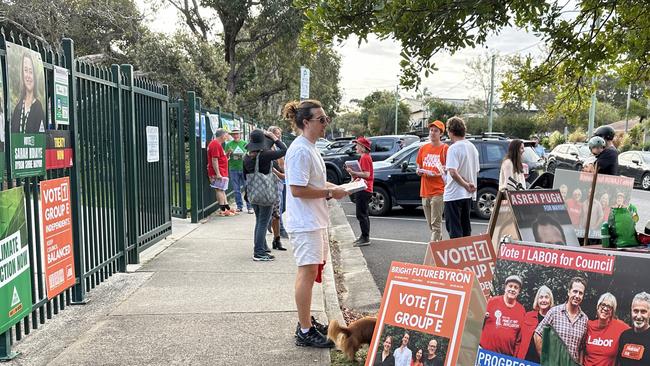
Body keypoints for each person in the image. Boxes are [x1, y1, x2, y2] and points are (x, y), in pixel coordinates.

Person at [283, 99, 348, 348]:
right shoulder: (300, 150)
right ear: (306, 122)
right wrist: (331, 192)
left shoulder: (310, 147)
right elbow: (298, 190)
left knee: (310, 273)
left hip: (313, 220)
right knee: (307, 272)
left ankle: (306, 321)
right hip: (304, 222)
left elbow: (315, 183)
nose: (325, 123)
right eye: (321, 119)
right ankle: (304, 330)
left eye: (326, 118)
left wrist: (339, 188)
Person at [243, 129, 287, 260]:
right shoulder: (265, 155)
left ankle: (262, 247)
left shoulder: (246, 158)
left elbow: (245, 176)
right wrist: (274, 138)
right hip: (265, 194)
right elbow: (284, 150)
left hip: (253, 194)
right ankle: (259, 252)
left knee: (259, 221)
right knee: (263, 222)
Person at [534, 277, 589, 364]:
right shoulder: (554, 312)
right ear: (568, 292)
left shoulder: (584, 319)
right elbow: (538, 334)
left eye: (580, 293)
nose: (577, 296)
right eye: (575, 291)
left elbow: (581, 348)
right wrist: (545, 360)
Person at [443, 117, 479, 238]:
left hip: (454, 194)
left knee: (454, 230)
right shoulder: (472, 147)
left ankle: (457, 254)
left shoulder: (453, 148)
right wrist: (469, 184)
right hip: (468, 195)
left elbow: (453, 172)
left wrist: (465, 185)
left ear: (451, 132)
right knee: (465, 228)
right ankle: (466, 255)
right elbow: (475, 170)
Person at [416, 120, 448, 242]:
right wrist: (419, 171)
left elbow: (448, 168)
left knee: (436, 225)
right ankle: (440, 246)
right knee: (431, 224)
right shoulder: (423, 148)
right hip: (425, 191)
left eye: (436, 131)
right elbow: (418, 166)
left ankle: (432, 251)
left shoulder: (445, 148)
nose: (432, 133)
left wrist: (441, 171)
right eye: (431, 130)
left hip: (438, 191)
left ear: (441, 133)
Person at [479, 275, 526, 356]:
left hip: (504, 359)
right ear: (505, 288)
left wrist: (514, 358)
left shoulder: (521, 310)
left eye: (516, 287)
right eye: (510, 286)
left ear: (519, 291)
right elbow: (477, 323)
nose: (512, 289)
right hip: (483, 353)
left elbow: (519, 340)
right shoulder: (491, 302)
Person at [584, 293, 630, 366]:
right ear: (598, 307)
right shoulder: (588, 325)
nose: (605, 309)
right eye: (603, 305)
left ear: (612, 311)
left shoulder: (620, 327)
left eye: (609, 306)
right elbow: (580, 348)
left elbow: (635, 332)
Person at [346, 136, 374, 246]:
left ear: (363, 147)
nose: (356, 147)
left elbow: (367, 174)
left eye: (357, 145)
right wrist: (353, 173)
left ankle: (365, 237)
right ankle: (364, 236)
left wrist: (354, 172)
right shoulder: (364, 157)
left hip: (364, 188)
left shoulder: (365, 158)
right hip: (363, 188)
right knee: (362, 213)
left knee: (361, 214)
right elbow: (363, 173)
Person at [517, 285, 554, 362]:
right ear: (537, 300)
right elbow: (519, 339)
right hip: (524, 359)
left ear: (550, 300)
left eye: (546, 297)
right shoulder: (528, 316)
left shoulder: (554, 319)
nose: (543, 300)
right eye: (541, 297)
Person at [11, 52, 45, 134]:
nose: (28, 76)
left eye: (31, 71)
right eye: (25, 70)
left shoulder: (38, 107)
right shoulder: (17, 108)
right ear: (22, 74)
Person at [207, 128, 235, 217]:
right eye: (227, 135)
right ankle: (222, 210)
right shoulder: (215, 144)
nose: (227, 137)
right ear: (222, 136)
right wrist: (218, 173)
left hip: (222, 171)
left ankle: (226, 208)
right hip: (219, 172)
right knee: (219, 189)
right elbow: (214, 160)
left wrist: (227, 154)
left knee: (222, 190)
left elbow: (219, 158)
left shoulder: (217, 144)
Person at [617, 292, 650, 365]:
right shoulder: (624, 335)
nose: (638, 316)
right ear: (631, 311)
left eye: (643, 311)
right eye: (635, 311)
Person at [225, 128, 252, 214]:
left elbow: (250, 155)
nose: (236, 136)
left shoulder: (245, 144)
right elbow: (226, 157)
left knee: (247, 188)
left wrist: (244, 154)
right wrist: (229, 153)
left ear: (240, 135)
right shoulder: (228, 144)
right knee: (236, 189)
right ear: (232, 135)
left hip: (244, 168)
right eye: (234, 134)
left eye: (237, 134)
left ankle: (249, 207)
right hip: (233, 168)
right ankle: (239, 206)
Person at [268, 126, 289, 239]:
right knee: (278, 207)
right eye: (277, 134)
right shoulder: (267, 148)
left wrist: (286, 174)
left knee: (283, 206)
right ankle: (280, 229)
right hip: (274, 181)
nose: (279, 136)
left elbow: (282, 162)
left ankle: (269, 222)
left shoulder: (276, 148)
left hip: (282, 179)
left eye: (280, 134)